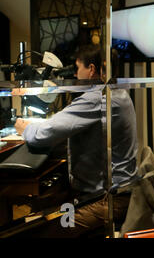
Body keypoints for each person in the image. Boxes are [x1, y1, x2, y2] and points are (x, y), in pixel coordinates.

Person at [14, 44, 138, 237]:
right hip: (110, 192)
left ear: (91, 70)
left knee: (45, 228)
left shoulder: (99, 98)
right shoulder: (118, 92)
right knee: (40, 209)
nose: (75, 74)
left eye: (78, 68)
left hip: (107, 200)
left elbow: (44, 133)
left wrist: (25, 128)